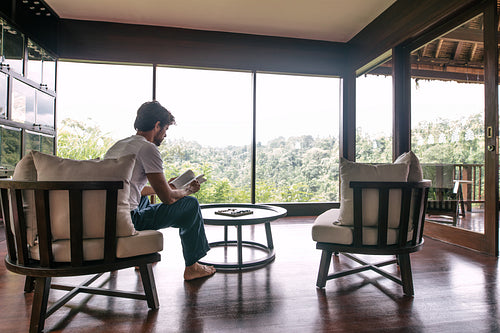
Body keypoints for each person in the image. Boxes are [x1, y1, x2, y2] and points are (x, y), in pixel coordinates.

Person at [104, 101, 216, 281]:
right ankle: (193, 267)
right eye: (165, 130)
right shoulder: (148, 148)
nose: (165, 135)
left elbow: (130, 188)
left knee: (143, 199)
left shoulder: (119, 145)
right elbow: (168, 199)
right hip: (128, 220)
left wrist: (166, 186)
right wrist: (188, 190)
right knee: (191, 205)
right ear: (157, 126)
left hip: (107, 216)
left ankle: (140, 256)